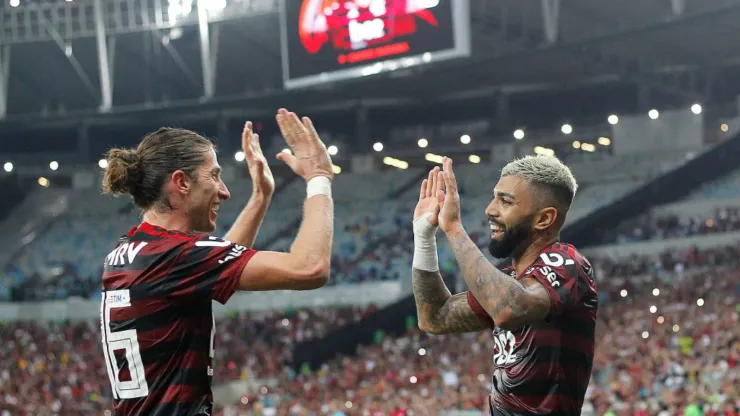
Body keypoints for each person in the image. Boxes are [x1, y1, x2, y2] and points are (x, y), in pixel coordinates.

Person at [99, 109, 335, 415]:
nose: (223, 192)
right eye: (214, 175)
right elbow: (310, 268)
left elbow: (216, 261)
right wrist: (319, 177)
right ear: (181, 182)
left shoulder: (130, 250)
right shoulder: (174, 256)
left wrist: (261, 197)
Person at [411, 155, 598, 416]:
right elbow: (434, 317)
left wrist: (454, 229)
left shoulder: (568, 262)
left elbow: (509, 308)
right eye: (494, 197)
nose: (490, 209)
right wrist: (424, 238)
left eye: (505, 201)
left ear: (543, 219)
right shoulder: (509, 281)